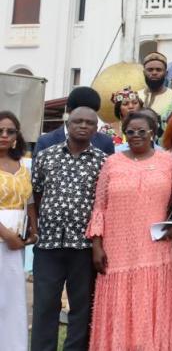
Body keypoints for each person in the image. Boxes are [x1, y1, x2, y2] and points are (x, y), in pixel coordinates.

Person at [86, 111, 172, 351]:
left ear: (153, 133)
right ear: (124, 134)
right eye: (131, 131)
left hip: (156, 249)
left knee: (152, 304)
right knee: (119, 305)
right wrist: (96, 245)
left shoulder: (168, 161)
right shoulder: (112, 163)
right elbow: (99, 206)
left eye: (142, 131)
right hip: (117, 250)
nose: (136, 135)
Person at [29, 105, 107, 351]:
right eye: (78, 121)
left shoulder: (104, 162)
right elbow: (37, 193)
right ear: (68, 124)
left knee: (81, 308)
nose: (83, 126)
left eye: (89, 123)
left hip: (83, 246)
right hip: (49, 244)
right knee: (45, 305)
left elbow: (103, 204)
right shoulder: (46, 155)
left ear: (96, 129)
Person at [0, 111, 31, 350]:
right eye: (0, 130)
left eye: (10, 131)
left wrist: (33, 231)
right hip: (4, 237)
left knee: (12, 300)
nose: (4, 135)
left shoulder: (24, 164)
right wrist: (5, 234)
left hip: (17, 243)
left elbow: (29, 202)